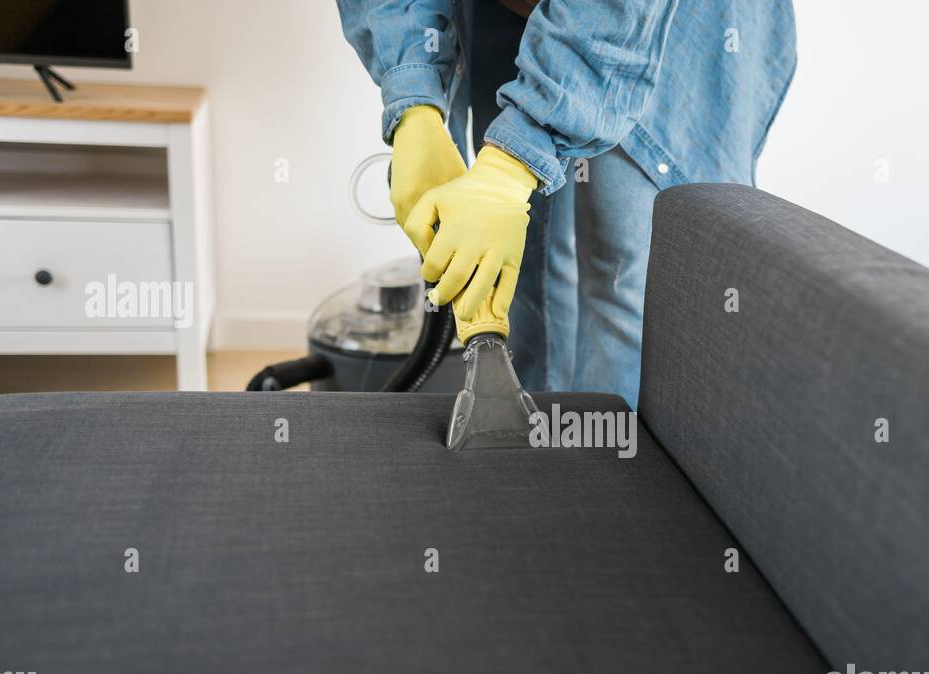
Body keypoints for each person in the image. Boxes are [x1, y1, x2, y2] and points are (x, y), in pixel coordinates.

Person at [337, 0, 796, 409]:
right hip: (502, 13)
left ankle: (616, 486)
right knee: (523, 274)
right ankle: (541, 465)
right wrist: (415, 104)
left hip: (655, 18)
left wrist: (511, 164)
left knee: (628, 283)